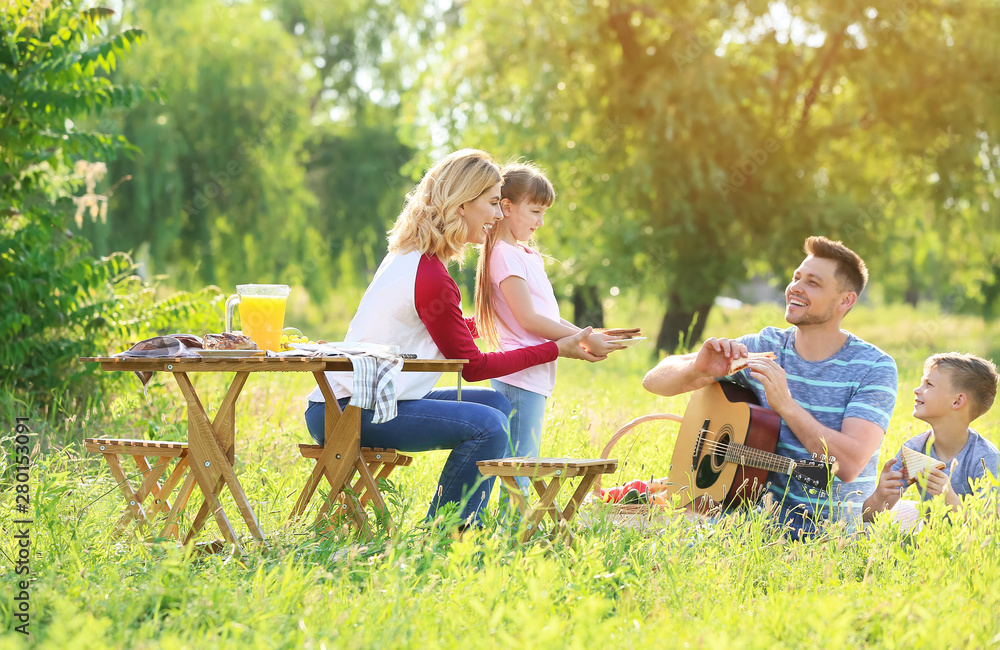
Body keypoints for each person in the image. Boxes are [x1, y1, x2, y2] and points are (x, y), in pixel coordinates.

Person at [303, 149, 603, 526]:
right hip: (350, 411)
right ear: (462, 205)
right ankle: (450, 531)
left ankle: (471, 522)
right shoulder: (430, 276)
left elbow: (446, 331)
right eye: (493, 203)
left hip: (367, 398)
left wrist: (498, 320)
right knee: (489, 425)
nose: (497, 215)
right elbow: (473, 366)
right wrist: (553, 350)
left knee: (497, 404)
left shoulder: (413, 256)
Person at [642, 236, 899, 537]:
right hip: (746, 528)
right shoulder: (765, 346)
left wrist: (786, 405)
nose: (795, 288)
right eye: (796, 277)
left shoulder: (874, 367)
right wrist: (695, 368)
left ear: (845, 301)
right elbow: (654, 379)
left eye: (813, 283)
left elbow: (850, 464)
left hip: (829, 537)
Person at [473, 162, 623, 494]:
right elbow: (528, 319)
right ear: (507, 207)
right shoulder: (503, 255)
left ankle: (514, 532)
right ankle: (515, 535)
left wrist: (589, 335)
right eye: (536, 211)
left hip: (533, 373)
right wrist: (581, 339)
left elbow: (547, 318)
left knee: (523, 462)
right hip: (519, 374)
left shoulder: (523, 253)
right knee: (520, 467)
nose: (541, 222)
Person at [863, 353, 999, 527]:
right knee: (894, 516)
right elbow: (868, 519)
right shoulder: (914, 449)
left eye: (929, 384)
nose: (917, 389)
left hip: (967, 543)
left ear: (957, 400)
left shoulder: (986, 458)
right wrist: (880, 496)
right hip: (930, 539)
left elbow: (989, 530)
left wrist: (949, 499)